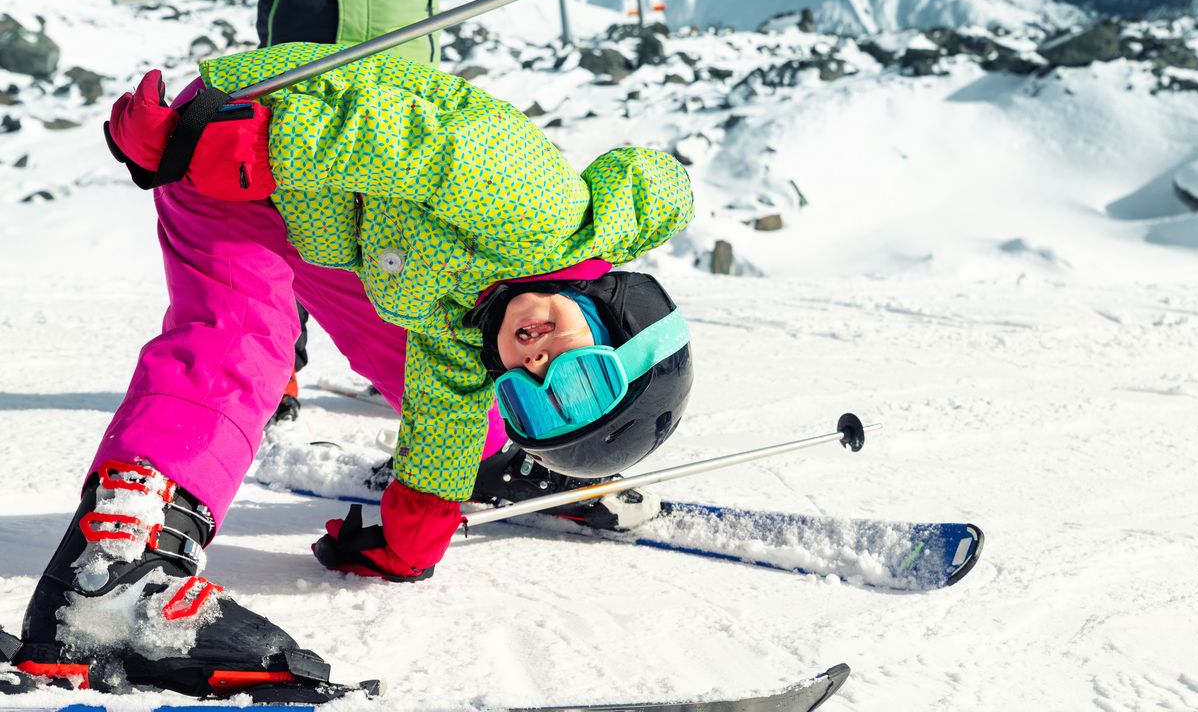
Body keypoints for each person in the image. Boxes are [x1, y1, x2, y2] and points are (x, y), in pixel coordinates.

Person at [11, 41, 694, 700]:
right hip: (255, 133)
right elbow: (410, 142)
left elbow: (444, 404)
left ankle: (495, 455)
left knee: (414, 356)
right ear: (617, 313)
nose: (541, 367)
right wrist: (248, 147)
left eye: (537, 404)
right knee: (244, 337)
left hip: (338, 219)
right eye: (580, 379)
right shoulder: (543, 210)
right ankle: (116, 568)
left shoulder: (475, 326)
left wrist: (416, 529)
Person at [191, 0, 511, 425]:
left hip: (402, 73)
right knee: (290, 223)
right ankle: (273, 371)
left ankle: (420, 373)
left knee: (405, 235)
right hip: (305, 66)